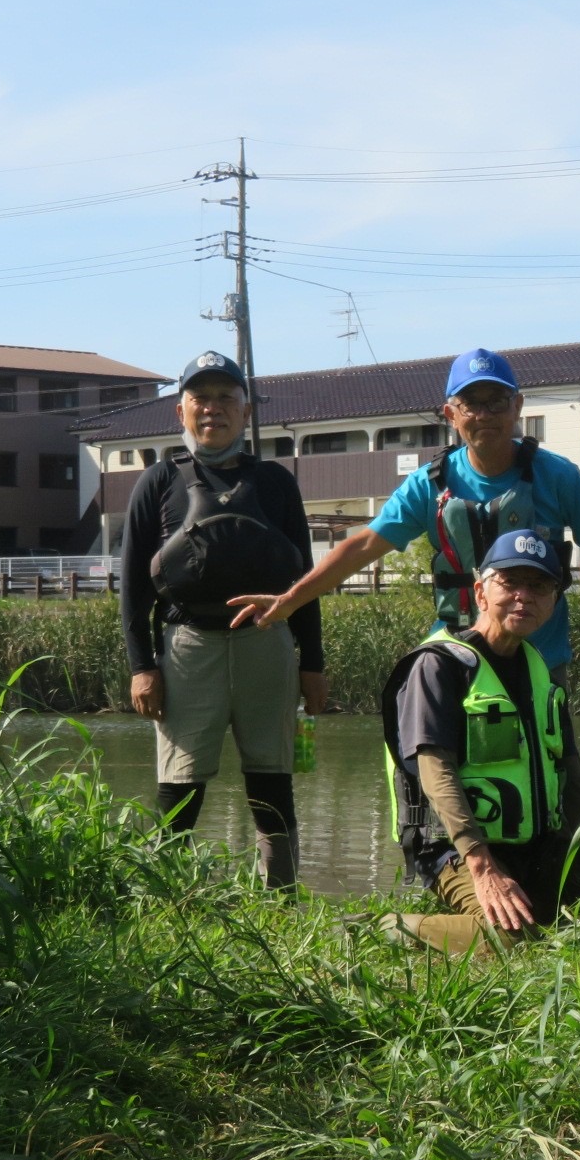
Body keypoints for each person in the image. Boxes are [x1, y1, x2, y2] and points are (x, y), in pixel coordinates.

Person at [229, 348, 580, 679]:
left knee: (553, 760)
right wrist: (290, 600)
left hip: (540, 660)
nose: (484, 414)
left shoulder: (557, 475)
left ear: (518, 406)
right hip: (458, 654)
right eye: (470, 404)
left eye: (497, 401)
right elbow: (361, 547)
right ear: (450, 414)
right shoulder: (429, 484)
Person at [123, 351, 327, 890]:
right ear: (181, 412)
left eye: (225, 398)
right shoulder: (157, 481)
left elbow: (305, 580)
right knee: (180, 780)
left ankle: (281, 901)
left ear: (245, 410)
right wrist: (142, 666)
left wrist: (314, 664)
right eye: (201, 399)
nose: (213, 409)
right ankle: (164, 898)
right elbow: (133, 587)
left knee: (272, 777)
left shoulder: (276, 482)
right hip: (187, 645)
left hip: (268, 643)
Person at [380, 530, 580, 958]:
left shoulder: (540, 671)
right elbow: (435, 771)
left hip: (534, 846)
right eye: (510, 582)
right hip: (456, 850)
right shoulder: (439, 666)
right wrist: (482, 864)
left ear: (553, 601)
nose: (524, 596)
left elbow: (574, 778)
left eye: (539, 585)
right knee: (512, 940)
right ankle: (390, 928)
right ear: (480, 592)